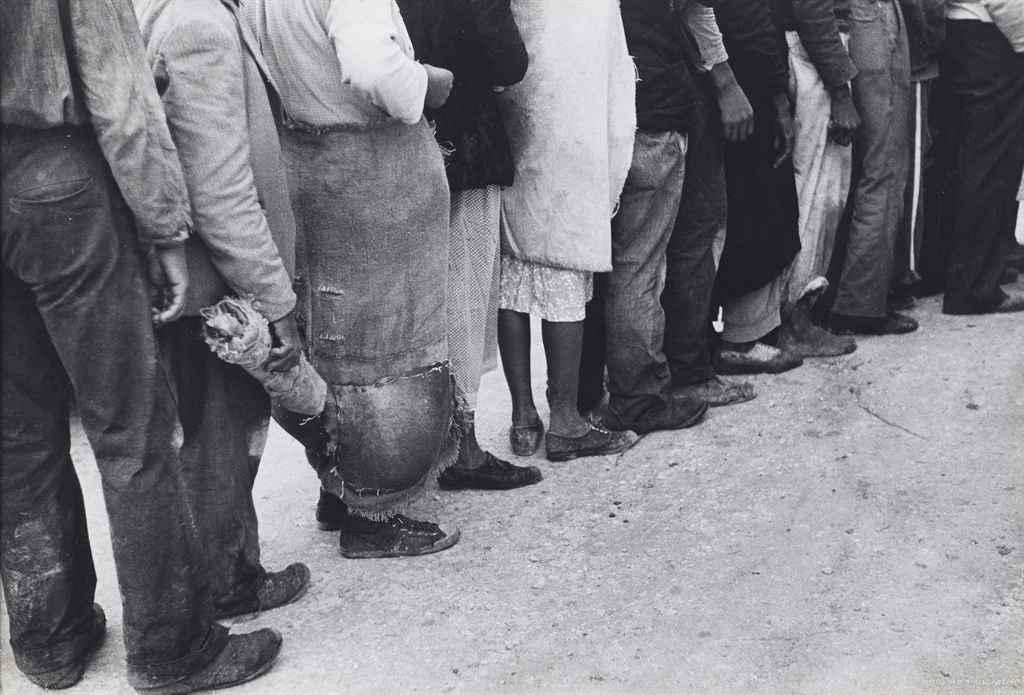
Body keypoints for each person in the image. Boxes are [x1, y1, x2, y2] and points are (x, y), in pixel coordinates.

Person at [0, 1, 281, 692]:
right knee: (132, 424)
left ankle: (49, 638)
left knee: (17, 430)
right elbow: (119, 93)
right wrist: (164, 226)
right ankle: (171, 646)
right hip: (55, 177)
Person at [243, 0, 463, 557]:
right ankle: (375, 515)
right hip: (372, 181)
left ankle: (340, 488)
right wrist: (429, 83)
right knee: (387, 351)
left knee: (334, 339)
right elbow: (372, 69)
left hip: (312, 167)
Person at [137, 0, 311, 619]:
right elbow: (222, 194)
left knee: (208, 435)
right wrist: (274, 298)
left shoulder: (170, 12)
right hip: (215, 288)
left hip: (193, 281)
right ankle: (229, 581)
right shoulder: (201, 26)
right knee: (223, 436)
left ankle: (223, 570)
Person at [396, 0, 542, 490]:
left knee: (407, 308)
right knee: (465, 292)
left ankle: (368, 468)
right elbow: (510, 61)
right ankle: (464, 448)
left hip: (397, 151)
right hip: (467, 146)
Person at [496, 0, 641, 462]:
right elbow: (616, 79)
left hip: (517, 119)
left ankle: (522, 418)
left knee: (512, 275)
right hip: (573, 131)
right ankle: (566, 421)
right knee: (565, 264)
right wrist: (614, 171)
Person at [576, 0, 712, 433]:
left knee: (605, 266)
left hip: (605, 114)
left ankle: (586, 397)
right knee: (639, 266)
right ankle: (638, 399)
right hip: (653, 114)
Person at [660, 0, 759, 408]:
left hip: (644, 80)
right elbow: (697, 9)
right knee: (696, 230)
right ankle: (688, 371)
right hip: (675, 79)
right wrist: (726, 82)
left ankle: (663, 369)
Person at [709, 0, 807, 374]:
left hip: (731, 81)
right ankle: (741, 339)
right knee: (756, 210)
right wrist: (778, 98)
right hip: (744, 89)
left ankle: (732, 335)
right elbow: (751, 22)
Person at [771, 0, 861, 354]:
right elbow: (812, 10)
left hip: (809, 51)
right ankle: (796, 320)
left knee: (814, 192)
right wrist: (840, 91)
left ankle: (794, 315)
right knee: (817, 196)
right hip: (812, 57)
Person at [825, 0, 915, 335]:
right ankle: (859, 304)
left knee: (870, 168)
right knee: (883, 167)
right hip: (868, 20)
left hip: (852, 23)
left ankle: (849, 297)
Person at [938, 0, 1024, 314]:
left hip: (972, 32)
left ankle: (975, 275)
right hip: (989, 37)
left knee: (979, 160)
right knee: (991, 165)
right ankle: (974, 288)